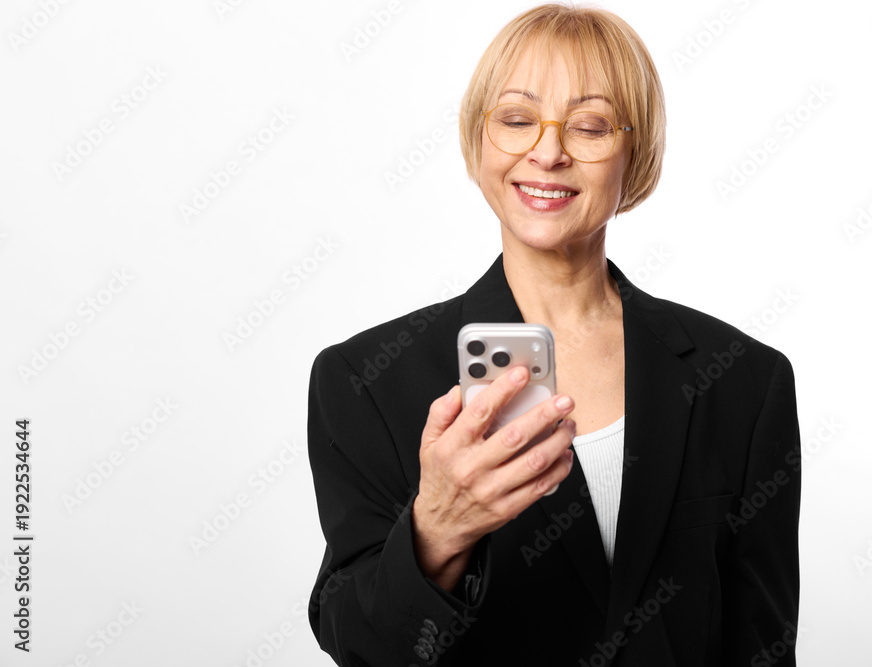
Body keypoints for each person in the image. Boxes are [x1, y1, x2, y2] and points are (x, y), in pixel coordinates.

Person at [307, 4, 801, 665]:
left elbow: (764, 646)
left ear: (635, 152)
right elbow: (362, 647)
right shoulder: (366, 380)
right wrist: (437, 531)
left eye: (590, 125)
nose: (547, 152)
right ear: (480, 139)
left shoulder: (743, 380)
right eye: (516, 119)